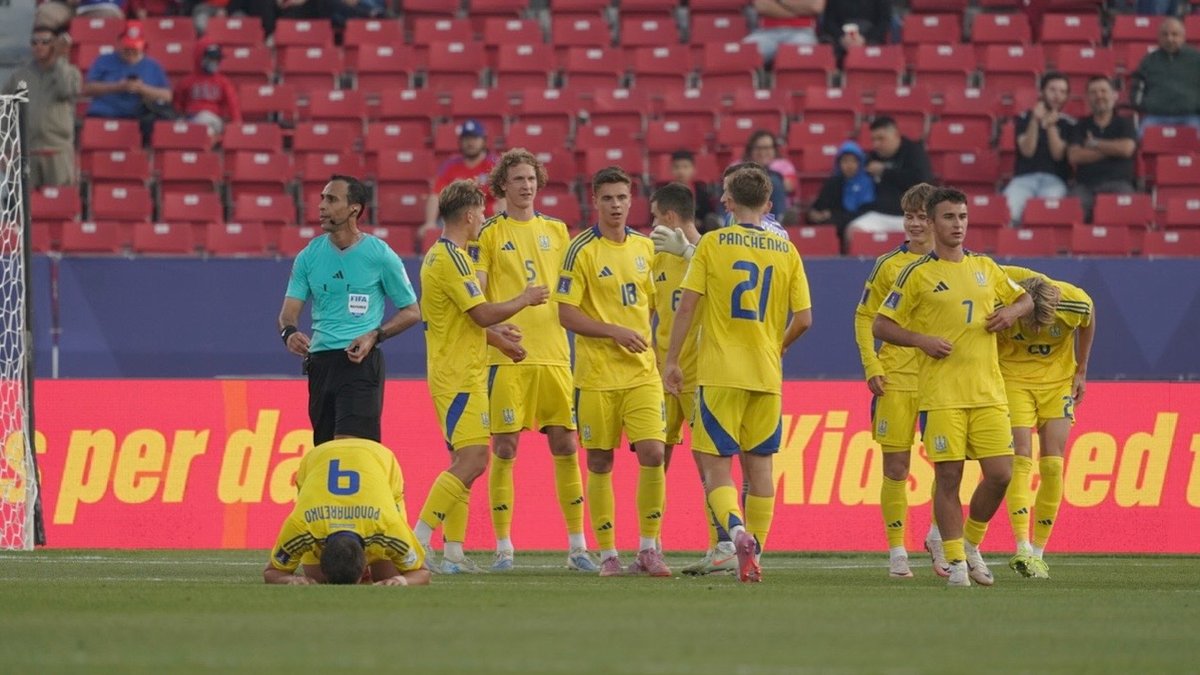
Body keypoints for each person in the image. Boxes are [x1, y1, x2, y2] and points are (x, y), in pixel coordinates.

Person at [873, 187, 1032, 588]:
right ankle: (957, 561)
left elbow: (1026, 299)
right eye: (948, 217)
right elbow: (881, 324)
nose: (957, 225)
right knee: (949, 478)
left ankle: (972, 544)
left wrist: (1011, 313)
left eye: (962, 217)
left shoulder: (985, 267)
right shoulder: (916, 273)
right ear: (931, 222)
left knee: (1001, 474)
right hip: (941, 395)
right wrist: (920, 340)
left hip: (988, 392)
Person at [663, 166, 813, 583]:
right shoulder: (787, 250)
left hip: (719, 372)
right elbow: (804, 319)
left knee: (716, 470)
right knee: (760, 471)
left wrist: (672, 360)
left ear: (728, 200)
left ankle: (736, 533)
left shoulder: (712, 244)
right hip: (766, 373)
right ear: (767, 204)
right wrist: (777, 346)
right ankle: (756, 552)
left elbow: (687, 306)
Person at [411, 179, 550, 574]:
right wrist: (524, 298)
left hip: (458, 370)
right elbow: (482, 312)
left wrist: (498, 339)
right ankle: (416, 540)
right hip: (458, 375)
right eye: (483, 213)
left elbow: (466, 319)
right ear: (470, 215)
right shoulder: (452, 260)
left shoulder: (443, 256)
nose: (485, 219)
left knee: (465, 463)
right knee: (473, 460)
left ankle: (453, 552)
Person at [472, 149, 596, 573]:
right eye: (518, 179)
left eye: (531, 178)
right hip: (506, 356)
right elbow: (478, 293)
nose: (526, 186)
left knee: (566, 444)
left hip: (555, 355)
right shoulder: (489, 233)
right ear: (502, 185)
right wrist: (495, 329)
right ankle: (504, 547)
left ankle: (577, 546)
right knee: (505, 447)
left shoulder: (558, 231)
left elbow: (575, 289)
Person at [554, 166, 671, 578]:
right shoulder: (580, 250)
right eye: (608, 198)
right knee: (601, 461)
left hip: (642, 374)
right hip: (596, 377)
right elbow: (566, 313)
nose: (616, 205)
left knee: (654, 453)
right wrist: (614, 331)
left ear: (631, 200)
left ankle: (649, 549)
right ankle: (608, 554)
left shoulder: (646, 247)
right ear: (595, 201)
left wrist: (645, 341)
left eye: (622, 197)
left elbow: (652, 304)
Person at [278, 175, 420, 445]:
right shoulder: (309, 256)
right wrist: (289, 333)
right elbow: (287, 313)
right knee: (326, 450)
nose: (321, 205)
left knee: (351, 448)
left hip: (359, 363)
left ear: (354, 208)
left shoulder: (380, 254)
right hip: (320, 364)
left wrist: (374, 336)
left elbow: (412, 311)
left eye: (331, 199)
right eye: (322, 198)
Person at [647, 182, 736, 575]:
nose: (652, 224)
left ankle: (723, 544)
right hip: (662, 374)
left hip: (701, 376)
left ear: (669, 216)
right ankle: (650, 545)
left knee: (708, 464)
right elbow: (648, 314)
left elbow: (727, 293)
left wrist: (688, 252)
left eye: (655, 216)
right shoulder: (658, 259)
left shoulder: (712, 250)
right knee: (655, 458)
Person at [851, 182, 934, 579]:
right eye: (909, 216)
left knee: (949, 467)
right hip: (896, 378)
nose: (915, 224)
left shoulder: (956, 265)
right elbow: (865, 316)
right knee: (897, 467)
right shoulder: (888, 265)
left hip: (941, 380)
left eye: (922, 217)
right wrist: (872, 365)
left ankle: (939, 537)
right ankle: (898, 550)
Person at [999, 267, 1094, 580]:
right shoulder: (1002, 299)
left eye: (1044, 324)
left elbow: (1089, 320)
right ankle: (1022, 546)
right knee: (1020, 457)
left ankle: (1038, 554)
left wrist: (1081, 370)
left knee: (1053, 464)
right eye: (1031, 323)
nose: (1038, 330)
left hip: (1057, 384)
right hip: (1014, 380)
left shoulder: (1075, 302)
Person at [263, 437, 431, 586]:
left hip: (378, 457)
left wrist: (400, 581)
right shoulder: (302, 526)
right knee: (316, 581)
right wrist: (290, 579)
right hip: (317, 458)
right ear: (320, 553)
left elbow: (422, 572)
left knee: (386, 577)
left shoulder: (388, 525)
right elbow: (272, 571)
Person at [3, 26, 81, 190]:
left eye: (45, 42)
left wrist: (60, 59)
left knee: (59, 201)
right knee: (27, 202)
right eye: (34, 42)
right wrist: (5, 149)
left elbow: (67, 90)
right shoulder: (19, 77)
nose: (39, 46)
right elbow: (4, 112)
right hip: (27, 152)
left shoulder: (69, 72)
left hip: (58, 151)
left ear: (54, 44)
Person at [1003, 72, 1075, 226]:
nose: (1057, 96)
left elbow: (1058, 155)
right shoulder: (1023, 118)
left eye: (1062, 92)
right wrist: (1035, 121)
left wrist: (1051, 125)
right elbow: (1027, 151)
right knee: (1007, 213)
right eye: (1052, 90)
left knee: (1046, 216)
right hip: (1023, 179)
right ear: (1042, 92)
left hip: (1055, 180)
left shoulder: (1069, 123)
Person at [82, 23, 173, 142]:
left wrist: (141, 88)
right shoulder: (103, 60)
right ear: (120, 43)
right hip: (104, 113)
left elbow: (167, 96)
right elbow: (87, 89)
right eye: (127, 47)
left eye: (134, 48)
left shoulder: (153, 66)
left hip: (138, 118)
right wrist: (117, 87)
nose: (130, 51)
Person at [846, 116, 934, 236]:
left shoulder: (914, 152)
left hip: (911, 215)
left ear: (896, 135)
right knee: (853, 231)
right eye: (873, 140)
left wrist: (884, 172)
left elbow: (921, 182)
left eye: (881, 139)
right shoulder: (872, 157)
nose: (876, 144)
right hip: (879, 213)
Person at [1067, 76, 1138, 223]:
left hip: (1119, 183)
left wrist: (1094, 143)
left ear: (1114, 95)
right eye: (1093, 92)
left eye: (1103, 91)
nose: (1099, 96)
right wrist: (1113, 150)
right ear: (1087, 98)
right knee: (1071, 212)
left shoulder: (1125, 123)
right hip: (1085, 185)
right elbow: (1074, 156)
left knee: (1128, 212)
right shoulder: (1080, 125)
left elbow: (1126, 149)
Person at [419, 119, 502, 243]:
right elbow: (436, 194)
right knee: (433, 233)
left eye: (475, 138)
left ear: (483, 141)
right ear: (460, 141)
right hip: (456, 220)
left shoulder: (494, 165)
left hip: (487, 218)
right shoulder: (450, 166)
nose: (470, 143)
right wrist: (430, 222)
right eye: (466, 139)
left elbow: (503, 197)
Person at [1132, 17, 1200, 134]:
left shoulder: (1196, 59)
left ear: (1183, 37)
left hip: (1190, 117)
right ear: (1159, 37)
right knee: (1139, 138)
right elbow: (1137, 88)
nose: (1170, 39)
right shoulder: (1149, 61)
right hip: (1156, 116)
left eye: (1174, 34)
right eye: (1165, 34)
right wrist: (1144, 105)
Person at [806, 140, 875, 244]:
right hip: (833, 224)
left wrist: (832, 215)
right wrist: (814, 215)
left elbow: (866, 212)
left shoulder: (867, 182)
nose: (849, 165)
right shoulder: (833, 182)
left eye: (853, 161)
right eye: (845, 161)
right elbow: (819, 206)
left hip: (858, 223)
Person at [172, 42, 239, 141]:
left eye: (217, 60)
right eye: (211, 59)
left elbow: (233, 104)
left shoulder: (223, 82)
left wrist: (237, 126)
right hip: (192, 119)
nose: (214, 63)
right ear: (202, 59)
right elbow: (177, 104)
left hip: (214, 120)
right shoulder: (187, 81)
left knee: (207, 124)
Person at [744, 0, 825, 63]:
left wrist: (779, 1)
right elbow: (762, 6)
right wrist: (798, 11)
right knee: (742, 53)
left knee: (802, 56)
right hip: (765, 33)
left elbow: (815, 6)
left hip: (802, 32)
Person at [742, 130, 793, 220]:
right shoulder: (738, 165)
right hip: (746, 207)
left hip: (773, 205)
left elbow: (790, 186)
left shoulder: (784, 165)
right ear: (751, 150)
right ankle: (723, 221)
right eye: (758, 148)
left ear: (774, 149)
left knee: (774, 180)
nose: (763, 152)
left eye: (767, 148)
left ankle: (780, 219)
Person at [818, 0, 893, 58]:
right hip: (840, 41)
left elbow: (884, 22)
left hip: (871, 41)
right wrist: (842, 37)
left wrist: (865, 39)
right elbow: (829, 21)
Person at [668, 150, 716, 229]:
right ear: (670, 169)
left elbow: (708, 216)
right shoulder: (663, 194)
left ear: (693, 169)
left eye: (685, 167)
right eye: (676, 167)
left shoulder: (701, 193)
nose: (681, 171)